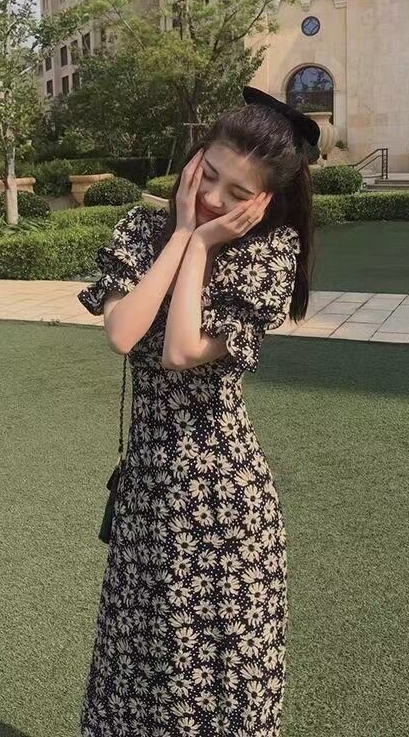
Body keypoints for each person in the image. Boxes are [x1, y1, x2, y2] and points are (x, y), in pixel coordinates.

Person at [76, 87, 318, 737]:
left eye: (237, 193)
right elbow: (124, 332)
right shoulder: (141, 232)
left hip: (223, 499)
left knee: (218, 679)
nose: (213, 196)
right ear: (194, 157)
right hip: (149, 491)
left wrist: (203, 245)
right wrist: (182, 234)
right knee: (139, 665)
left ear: (265, 200)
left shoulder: (267, 255)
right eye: (209, 174)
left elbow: (181, 350)